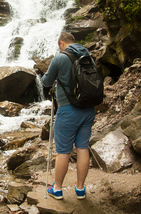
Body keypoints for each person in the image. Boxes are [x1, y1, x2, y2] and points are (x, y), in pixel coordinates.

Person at [41, 32, 96, 200]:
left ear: (62, 43)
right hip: (88, 109)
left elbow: (46, 82)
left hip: (68, 109)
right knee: (82, 147)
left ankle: (57, 189)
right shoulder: (88, 57)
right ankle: (80, 189)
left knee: (63, 151)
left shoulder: (60, 57)